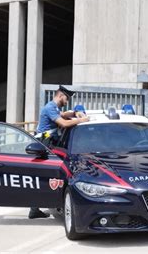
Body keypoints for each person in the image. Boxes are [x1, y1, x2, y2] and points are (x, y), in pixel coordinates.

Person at [29, 85, 89, 219]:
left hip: (48, 143)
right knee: (44, 176)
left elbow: (63, 114)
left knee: (46, 176)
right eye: (66, 98)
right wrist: (81, 120)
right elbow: (63, 123)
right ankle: (35, 208)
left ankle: (37, 208)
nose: (66, 101)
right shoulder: (50, 107)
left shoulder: (53, 107)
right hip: (45, 144)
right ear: (60, 95)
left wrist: (74, 113)